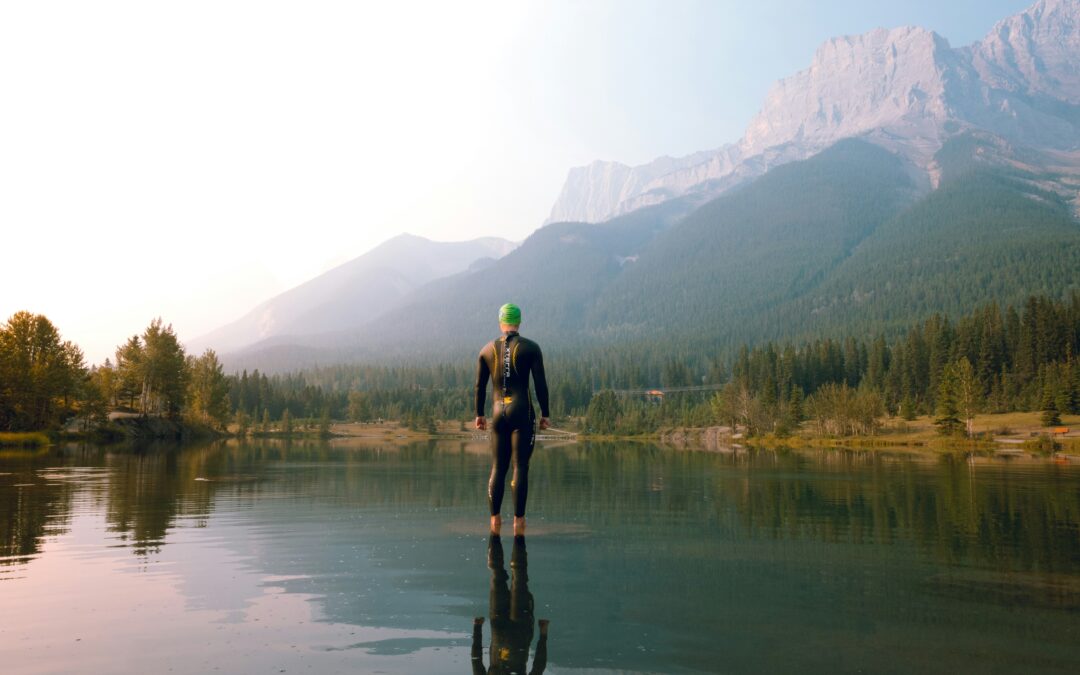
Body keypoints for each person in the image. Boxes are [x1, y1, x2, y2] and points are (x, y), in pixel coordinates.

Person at [474, 303, 550, 536]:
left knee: (498, 467)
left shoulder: (486, 350)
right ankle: (519, 524)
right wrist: (545, 413)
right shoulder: (531, 348)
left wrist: (479, 414)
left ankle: (495, 522)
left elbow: (479, 386)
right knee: (520, 466)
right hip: (522, 412)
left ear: (500, 322)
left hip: (498, 412)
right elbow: (540, 384)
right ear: (519, 321)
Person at [471, 534, 549, 675]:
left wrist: (543, 634)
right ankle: (511, 532)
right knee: (498, 574)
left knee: (517, 575)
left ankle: (516, 533)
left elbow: (538, 668)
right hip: (505, 630)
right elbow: (476, 664)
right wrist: (477, 628)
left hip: (514, 631)